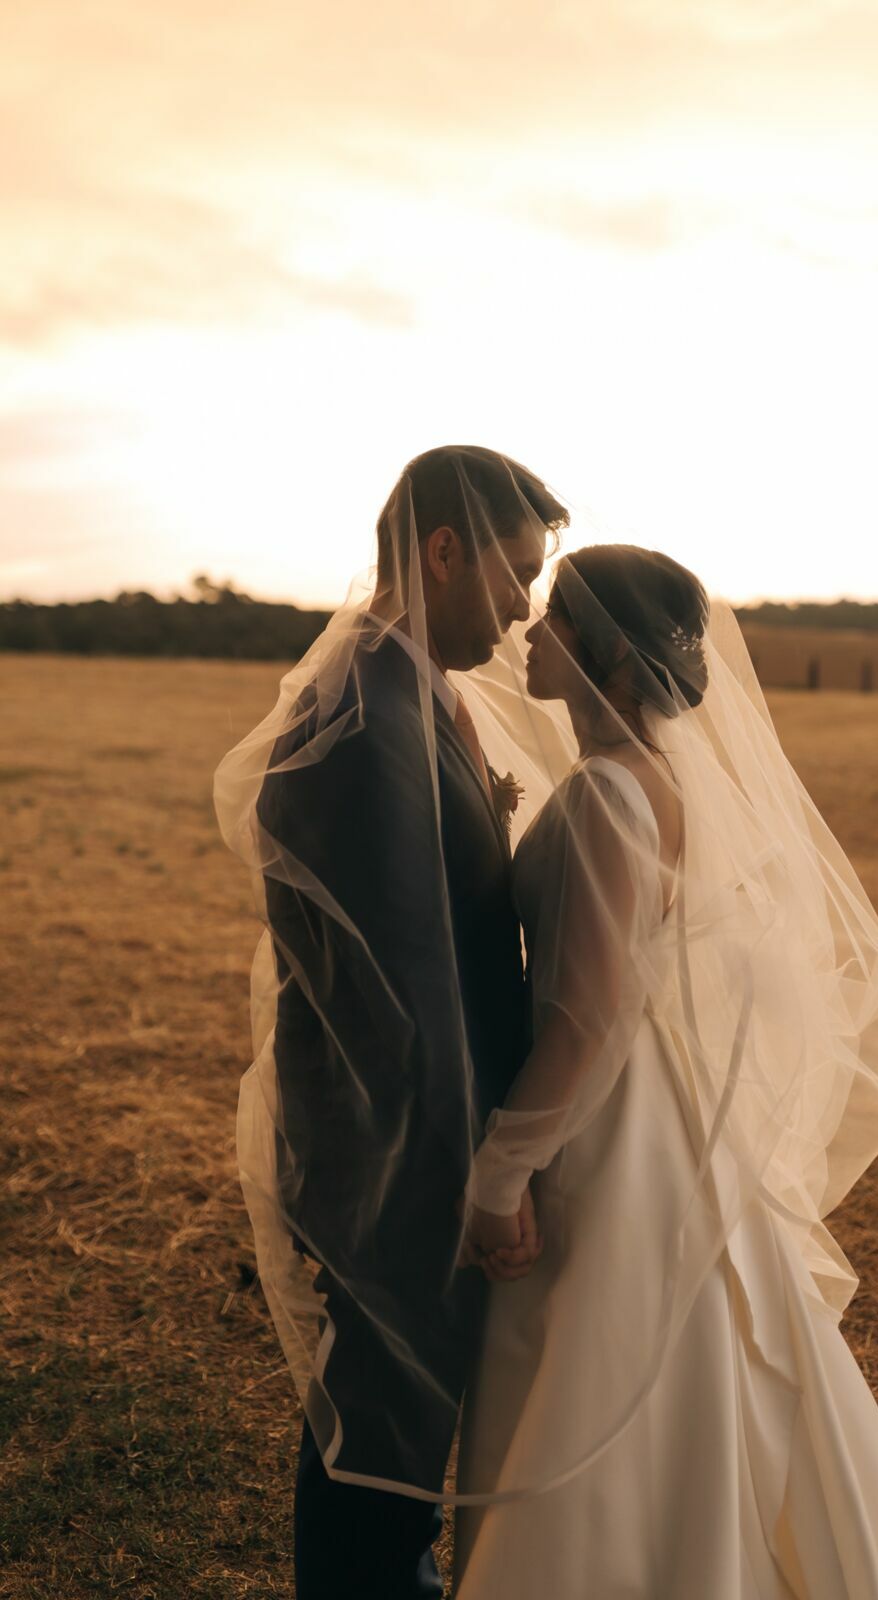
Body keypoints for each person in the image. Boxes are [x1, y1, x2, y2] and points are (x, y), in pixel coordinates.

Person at [452, 545, 878, 1598]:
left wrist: (500, 1173)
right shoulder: (653, 779)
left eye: (552, 618)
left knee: (587, 1368)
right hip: (665, 1114)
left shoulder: (605, 796)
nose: (528, 632)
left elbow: (589, 1016)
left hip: (605, 1130)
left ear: (608, 655)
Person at [214, 445, 567, 1599]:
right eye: (513, 574)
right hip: (396, 1146)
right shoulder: (364, 716)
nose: (524, 609)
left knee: (399, 1432)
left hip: (418, 1138)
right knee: (376, 1439)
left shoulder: (417, 685)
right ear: (442, 551)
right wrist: (479, 1172)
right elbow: (405, 992)